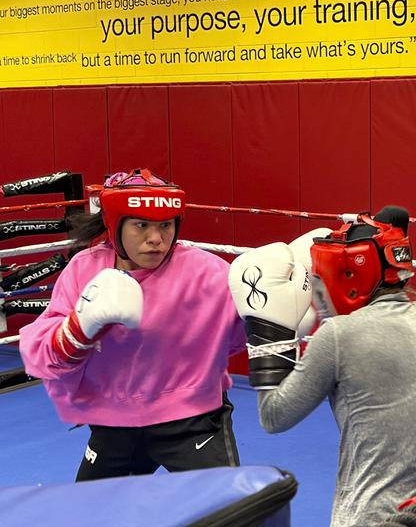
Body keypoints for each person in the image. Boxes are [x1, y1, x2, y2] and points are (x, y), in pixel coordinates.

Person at [228, 206, 416, 527]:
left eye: (320, 285)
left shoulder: (340, 335)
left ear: (349, 279)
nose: (317, 300)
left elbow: (273, 417)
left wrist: (270, 333)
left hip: (372, 519)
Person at [19, 169, 246, 481]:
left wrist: (281, 312)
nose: (156, 239)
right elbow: (41, 356)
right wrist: (76, 331)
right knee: (89, 514)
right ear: (115, 226)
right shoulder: (85, 269)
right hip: (115, 420)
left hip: (192, 417)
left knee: (229, 511)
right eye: (141, 225)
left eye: (165, 225)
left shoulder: (205, 271)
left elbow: (239, 337)